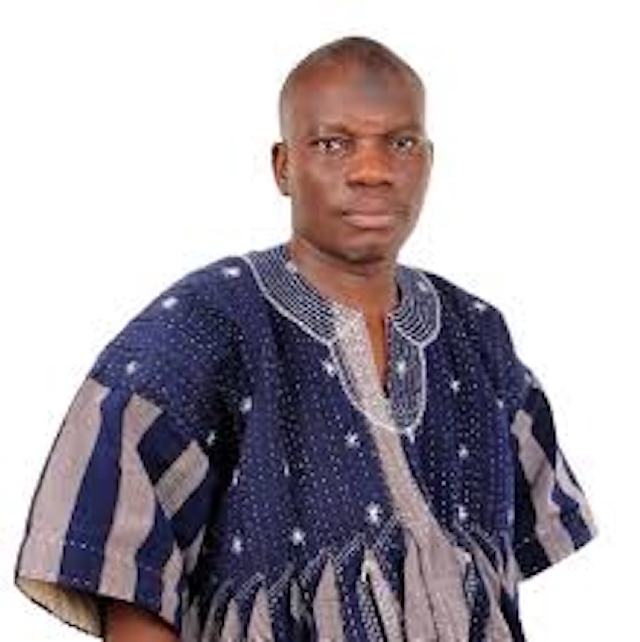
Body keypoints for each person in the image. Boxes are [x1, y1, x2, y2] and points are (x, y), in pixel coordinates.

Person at [14, 36, 596, 642]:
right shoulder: (207, 325)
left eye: (400, 143)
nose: (372, 172)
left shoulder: (476, 333)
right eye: (332, 143)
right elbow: (128, 573)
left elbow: (499, 568)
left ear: (429, 160)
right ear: (283, 166)